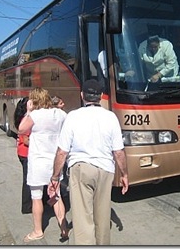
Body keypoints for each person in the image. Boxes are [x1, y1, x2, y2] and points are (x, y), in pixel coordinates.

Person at [48, 79, 129, 245]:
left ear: (82, 95)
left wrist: (55, 178)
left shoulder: (73, 116)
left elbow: (62, 151)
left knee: (83, 218)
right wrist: (124, 174)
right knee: (103, 215)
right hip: (106, 170)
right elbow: (118, 152)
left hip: (81, 169)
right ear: (100, 97)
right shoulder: (111, 117)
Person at [18, 87, 69, 243]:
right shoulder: (61, 114)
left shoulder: (35, 115)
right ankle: (64, 229)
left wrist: (28, 111)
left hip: (38, 162)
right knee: (56, 195)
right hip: (55, 161)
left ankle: (38, 231)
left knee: (36, 197)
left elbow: (21, 129)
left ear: (34, 100)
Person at [14, 96, 32, 214]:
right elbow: (26, 140)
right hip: (25, 153)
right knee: (27, 180)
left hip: (24, 153)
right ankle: (26, 207)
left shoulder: (27, 118)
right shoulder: (25, 120)